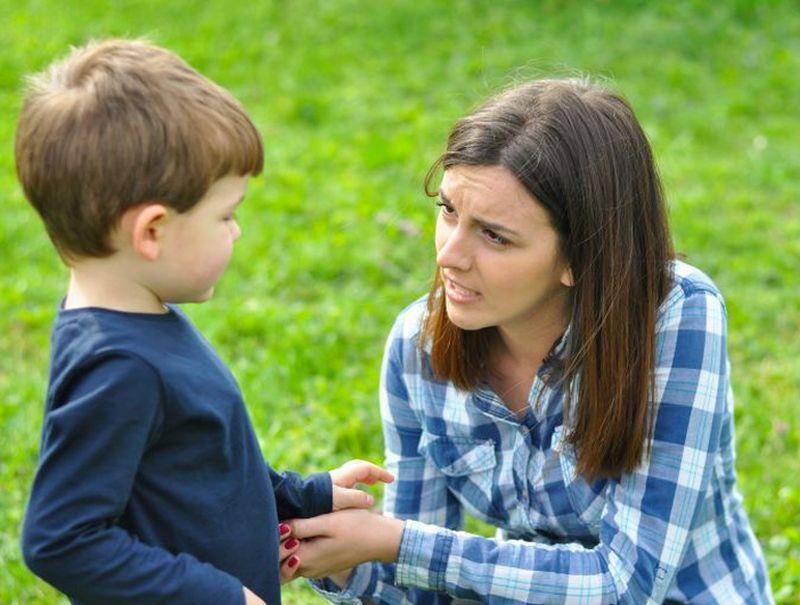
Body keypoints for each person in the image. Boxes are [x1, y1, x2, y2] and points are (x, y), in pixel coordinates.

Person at [286, 79, 774, 603]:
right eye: (448, 211)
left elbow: (625, 584)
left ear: (580, 258)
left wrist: (396, 544)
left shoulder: (675, 317)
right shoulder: (418, 347)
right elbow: (420, 590)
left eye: (494, 235)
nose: (449, 254)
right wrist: (336, 557)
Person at [16, 39, 393, 605]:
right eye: (225, 215)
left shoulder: (140, 316)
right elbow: (60, 539)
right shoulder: (118, 368)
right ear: (152, 232)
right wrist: (214, 593)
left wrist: (303, 495)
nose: (237, 231)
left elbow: (198, 464)